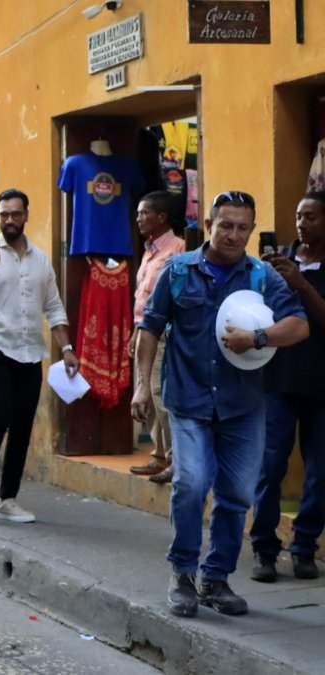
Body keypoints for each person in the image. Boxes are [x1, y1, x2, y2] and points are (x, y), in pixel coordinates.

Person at [132, 190, 308, 618]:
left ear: (251, 228)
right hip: (189, 401)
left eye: (242, 227)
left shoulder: (263, 277)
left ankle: (216, 578)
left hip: (243, 406)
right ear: (209, 226)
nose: (233, 235)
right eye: (225, 225)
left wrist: (258, 338)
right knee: (191, 484)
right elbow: (150, 329)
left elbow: (299, 325)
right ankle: (182, 573)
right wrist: (141, 387)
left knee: (237, 494)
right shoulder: (178, 271)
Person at [0, 189, 79, 525]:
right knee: (0, 417)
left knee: (23, 425)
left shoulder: (40, 260)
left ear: (26, 215)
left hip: (30, 351)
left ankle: (8, 498)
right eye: (3, 215)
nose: (9, 220)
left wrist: (66, 349)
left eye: (15, 214)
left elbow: (53, 306)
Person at [249, 191, 325, 583]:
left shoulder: (303, 272)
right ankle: (264, 549)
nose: (301, 223)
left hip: (321, 386)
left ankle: (304, 548)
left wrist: (303, 285)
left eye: (310, 217)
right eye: (299, 216)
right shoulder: (276, 260)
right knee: (270, 466)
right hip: (278, 381)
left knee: (319, 472)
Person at [128, 191, 186, 485]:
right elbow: (142, 296)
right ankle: (160, 453)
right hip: (143, 330)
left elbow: (168, 298)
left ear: (161, 217)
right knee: (144, 396)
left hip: (161, 333)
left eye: (144, 213)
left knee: (159, 393)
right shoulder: (150, 250)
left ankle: (178, 459)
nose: (138, 218)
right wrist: (135, 331)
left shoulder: (177, 249)